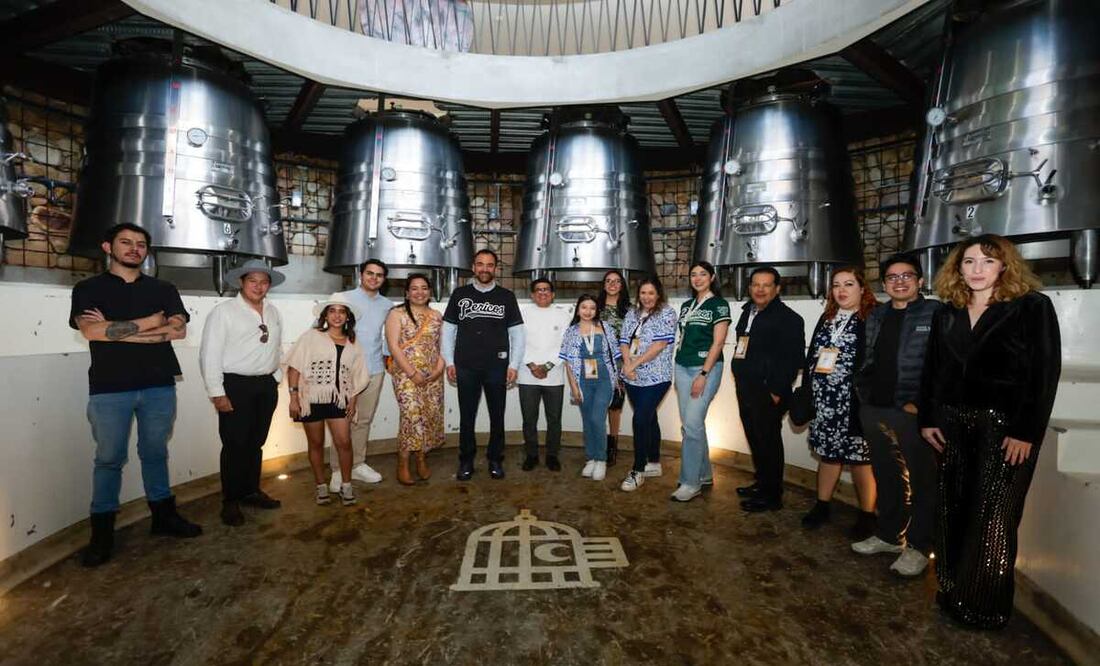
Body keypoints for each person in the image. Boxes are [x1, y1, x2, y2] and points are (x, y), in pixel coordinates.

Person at [919, 234, 1061, 629]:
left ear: (1004, 266)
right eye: (969, 261)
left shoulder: (1032, 307)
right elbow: (933, 370)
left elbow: (1044, 374)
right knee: (952, 510)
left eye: (987, 261)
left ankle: (983, 606)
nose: (977, 269)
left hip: (1005, 430)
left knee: (993, 518)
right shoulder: (947, 312)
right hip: (952, 425)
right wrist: (928, 418)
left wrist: (1026, 431)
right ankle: (952, 589)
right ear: (958, 268)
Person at [70, 223, 201, 568]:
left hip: (159, 384)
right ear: (107, 247)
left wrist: (115, 330)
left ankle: (163, 517)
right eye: (126, 242)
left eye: (141, 244)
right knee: (109, 459)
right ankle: (102, 534)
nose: (134, 248)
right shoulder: (88, 289)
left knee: (155, 452)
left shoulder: (164, 288)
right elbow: (91, 331)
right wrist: (150, 322)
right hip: (109, 388)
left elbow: (177, 330)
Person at [851, 253, 942, 578]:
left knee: (923, 480)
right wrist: (863, 396)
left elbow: (944, 365)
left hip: (913, 412)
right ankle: (890, 535)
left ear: (920, 280)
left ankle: (919, 547)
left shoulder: (936, 313)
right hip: (875, 407)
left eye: (907, 276)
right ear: (884, 283)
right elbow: (868, 358)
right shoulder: (876, 314)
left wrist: (921, 403)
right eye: (892, 277)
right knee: (887, 474)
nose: (899, 282)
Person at [199, 259, 285, 527]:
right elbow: (209, 354)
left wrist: (276, 376)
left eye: (264, 282)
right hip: (236, 386)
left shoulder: (273, 311)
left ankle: (250, 491)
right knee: (235, 445)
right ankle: (231, 501)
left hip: (265, 386)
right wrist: (217, 392)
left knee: (256, 443)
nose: (258, 287)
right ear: (241, 282)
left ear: (269, 285)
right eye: (252, 281)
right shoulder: (224, 312)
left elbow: (277, 346)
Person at [800, 267, 878, 538]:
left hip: (854, 403)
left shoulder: (872, 318)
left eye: (849, 284)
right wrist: (808, 391)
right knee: (828, 455)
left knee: (860, 460)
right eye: (836, 285)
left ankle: (867, 515)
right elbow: (813, 356)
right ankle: (822, 505)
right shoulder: (828, 318)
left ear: (862, 288)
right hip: (825, 402)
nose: (841, 290)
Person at [443, 249, 526, 481]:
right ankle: (466, 460)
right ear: (473, 267)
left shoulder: (506, 297)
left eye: (489, 265)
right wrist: (449, 361)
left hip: (497, 367)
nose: (484, 269)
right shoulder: (460, 294)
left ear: (496, 268)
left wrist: (514, 365)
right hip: (465, 366)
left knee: (497, 416)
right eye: (480, 264)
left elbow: (517, 334)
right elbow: (448, 331)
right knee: (467, 417)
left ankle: (495, 459)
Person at [285, 294, 370, 507]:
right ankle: (321, 486)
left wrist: (353, 399)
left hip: (339, 400)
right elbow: (294, 367)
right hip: (311, 398)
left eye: (342, 312)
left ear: (348, 317)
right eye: (332, 311)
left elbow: (358, 374)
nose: (337, 315)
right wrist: (294, 398)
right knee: (316, 443)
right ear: (325, 315)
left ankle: (346, 485)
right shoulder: (311, 336)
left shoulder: (353, 342)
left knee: (344, 442)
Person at [732, 266, 805, 512]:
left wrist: (775, 391)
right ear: (749, 287)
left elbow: (792, 359)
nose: (760, 289)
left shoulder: (789, 319)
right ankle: (762, 483)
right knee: (756, 438)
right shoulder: (748, 312)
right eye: (756, 284)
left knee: (769, 442)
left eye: (766, 285)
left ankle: (772, 495)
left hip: (768, 392)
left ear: (777, 289)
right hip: (746, 388)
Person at [330, 259, 394, 491]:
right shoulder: (342, 298)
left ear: (383, 279)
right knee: (341, 421)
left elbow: (387, 336)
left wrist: (388, 357)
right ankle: (338, 469)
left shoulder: (387, 305)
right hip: (343, 371)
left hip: (374, 370)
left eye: (379, 275)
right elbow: (322, 329)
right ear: (361, 274)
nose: (374, 278)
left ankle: (357, 464)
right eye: (370, 273)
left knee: (363, 420)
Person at [671, 261, 731, 502]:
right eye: (693, 274)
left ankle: (690, 482)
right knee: (691, 425)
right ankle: (704, 474)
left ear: (712, 277)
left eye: (703, 274)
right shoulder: (686, 305)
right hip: (682, 366)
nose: (697, 278)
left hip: (705, 368)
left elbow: (718, 342)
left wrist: (704, 374)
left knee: (692, 424)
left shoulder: (719, 304)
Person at [384, 274, 445, 485]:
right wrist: (412, 373)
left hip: (432, 376)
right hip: (406, 375)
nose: (420, 292)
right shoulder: (396, 314)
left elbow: (442, 347)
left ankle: (421, 458)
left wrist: (438, 370)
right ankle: (403, 461)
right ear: (407, 293)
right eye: (415, 288)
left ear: (430, 291)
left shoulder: (436, 316)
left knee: (428, 415)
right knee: (411, 416)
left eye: (424, 288)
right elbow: (393, 346)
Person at [618, 276, 677, 492]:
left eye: (651, 293)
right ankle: (654, 462)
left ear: (658, 294)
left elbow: (659, 345)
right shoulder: (632, 313)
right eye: (643, 293)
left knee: (640, 418)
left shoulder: (667, 313)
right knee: (649, 418)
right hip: (633, 377)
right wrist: (627, 365)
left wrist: (633, 365)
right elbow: (624, 341)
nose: (646, 297)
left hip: (657, 376)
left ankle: (638, 470)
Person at [560, 295, 622, 481]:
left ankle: (601, 459)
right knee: (587, 420)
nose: (588, 311)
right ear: (578, 309)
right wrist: (574, 386)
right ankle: (591, 458)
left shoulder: (606, 328)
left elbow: (615, 356)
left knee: (597, 418)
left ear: (597, 311)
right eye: (584, 307)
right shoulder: (571, 332)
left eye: (592, 308)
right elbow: (568, 363)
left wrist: (619, 380)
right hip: (582, 381)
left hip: (604, 379)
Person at [518, 279, 572, 472]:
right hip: (527, 374)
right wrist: (532, 365)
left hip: (554, 375)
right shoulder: (522, 314)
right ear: (532, 295)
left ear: (553, 294)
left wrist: (548, 366)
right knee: (529, 419)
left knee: (554, 419)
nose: (542, 293)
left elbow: (566, 345)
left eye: (546, 290)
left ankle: (552, 455)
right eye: (538, 290)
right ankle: (531, 455)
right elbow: (516, 342)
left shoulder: (563, 316)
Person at [597, 269, 630, 466]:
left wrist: (629, 362)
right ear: (604, 285)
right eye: (608, 281)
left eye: (616, 281)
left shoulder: (630, 310)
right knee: (597, 404)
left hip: (619, 363)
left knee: (615, 406)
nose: (612, 284)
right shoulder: (595, 307)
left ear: (622, 285)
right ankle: (597, 444)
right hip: (596, 362)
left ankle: (612, 446)